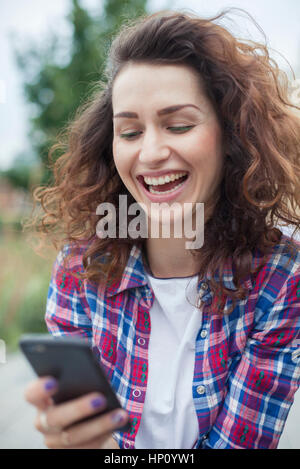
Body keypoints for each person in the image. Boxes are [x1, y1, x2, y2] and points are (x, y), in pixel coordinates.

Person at [24, 9, 300, 449]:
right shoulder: (78, 270)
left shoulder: (280, 280)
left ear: (231, 136)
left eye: (179, 125)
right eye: (129, 132)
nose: (151, 153)